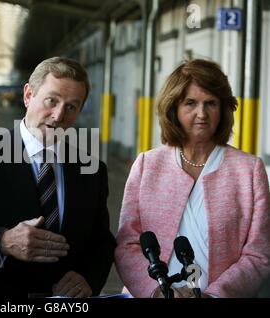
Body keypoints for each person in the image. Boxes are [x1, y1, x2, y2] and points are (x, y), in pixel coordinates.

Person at [0, 56, 116, 298]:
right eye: (51, 101)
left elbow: (101, 241)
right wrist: (2, 241)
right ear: (28, 95)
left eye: (71, 106)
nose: (58, 115)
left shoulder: (91, 170)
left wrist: (88, 278)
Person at [115, 59, 270, 298]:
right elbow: (127, 245)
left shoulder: (249, 170)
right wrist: (157, 292)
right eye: (190, 103)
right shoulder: (147, 165)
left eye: (211, 103)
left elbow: (259, 254)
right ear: (173, 108)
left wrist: (215, 295)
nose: (202, 114)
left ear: (223, 109)